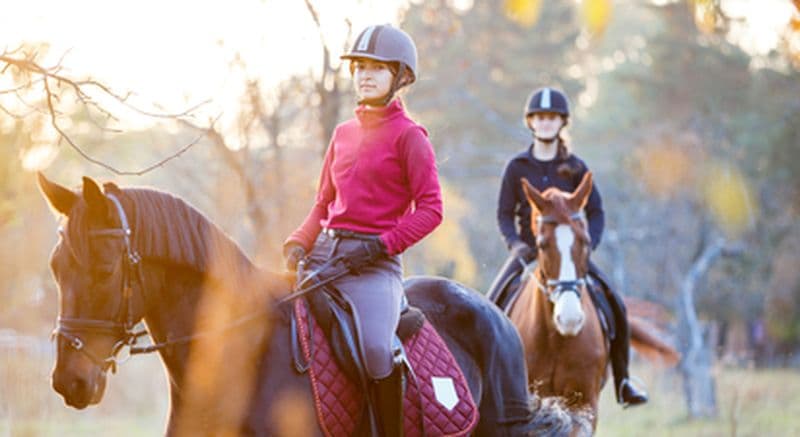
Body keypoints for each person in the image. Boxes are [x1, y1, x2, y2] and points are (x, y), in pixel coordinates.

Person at [282, 24, 443, 436]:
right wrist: (299, 241)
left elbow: (431, 210)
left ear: (400, 76)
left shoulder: (410, 137)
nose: (365, 76)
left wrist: (379, 247)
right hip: (326, 255)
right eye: (360, 68)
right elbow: (322, 204)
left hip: (374, 266)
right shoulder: (342, 134)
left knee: (375, 349)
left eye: (377, 68)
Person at [487, 87, 648, 408]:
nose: (546, 122)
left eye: (552, 117)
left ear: (562, 122)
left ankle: (624, 381)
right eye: (540, 117)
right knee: (490, 306)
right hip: (529, 252)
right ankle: (485, 383)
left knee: (615, 304)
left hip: (570, 254)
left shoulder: (575, 167)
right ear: (531, 122)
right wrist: (515, 244)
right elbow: (504, 214)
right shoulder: (516, 167)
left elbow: (596, 212)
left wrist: (585, 247)